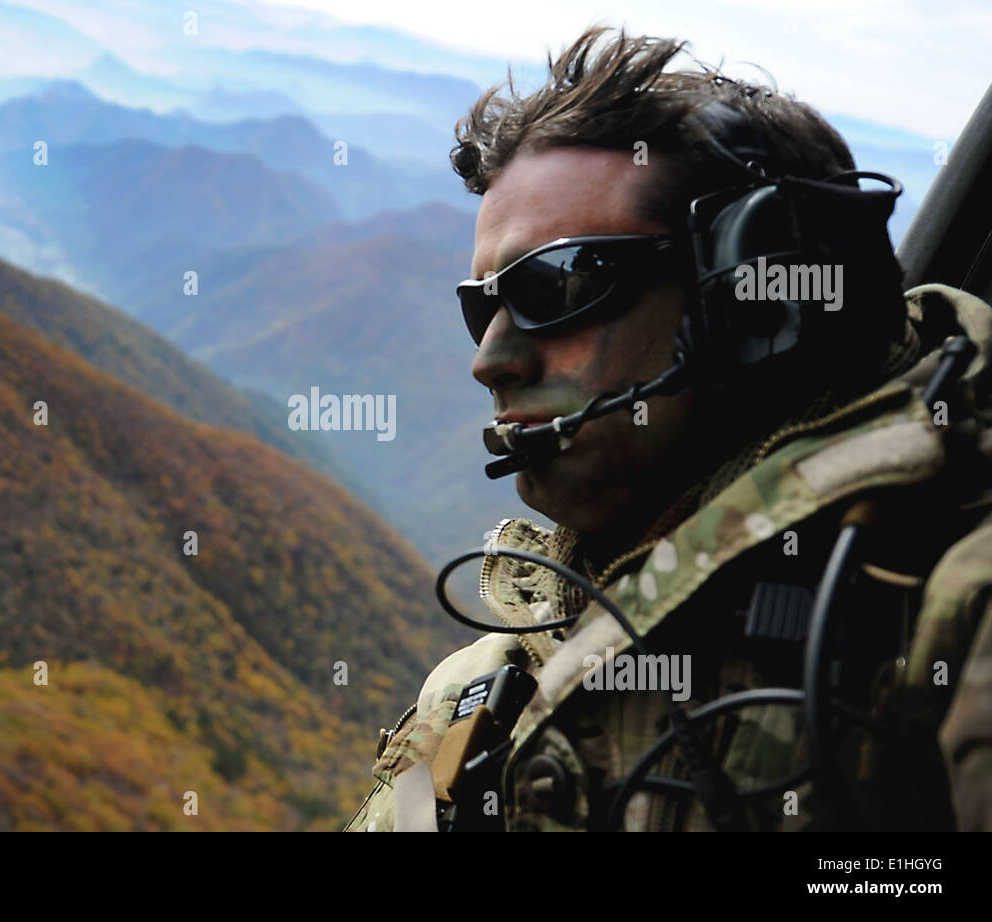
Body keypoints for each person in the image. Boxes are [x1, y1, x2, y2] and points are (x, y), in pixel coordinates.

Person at [345, 26, 992, 832]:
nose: (490, 358)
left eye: (558, 281)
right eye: (484, 303)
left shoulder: (948, 616)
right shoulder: (483, 693)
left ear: (753, 298)